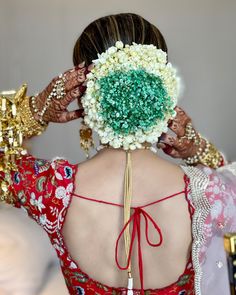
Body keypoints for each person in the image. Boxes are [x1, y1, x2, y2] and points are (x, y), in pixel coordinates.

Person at [0, 13, 235, 295]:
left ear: (84, 94)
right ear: (162, 88)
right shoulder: (209, 193)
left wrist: (34, 111)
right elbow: (226, 172)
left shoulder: (53, 189)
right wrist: (197, 149)